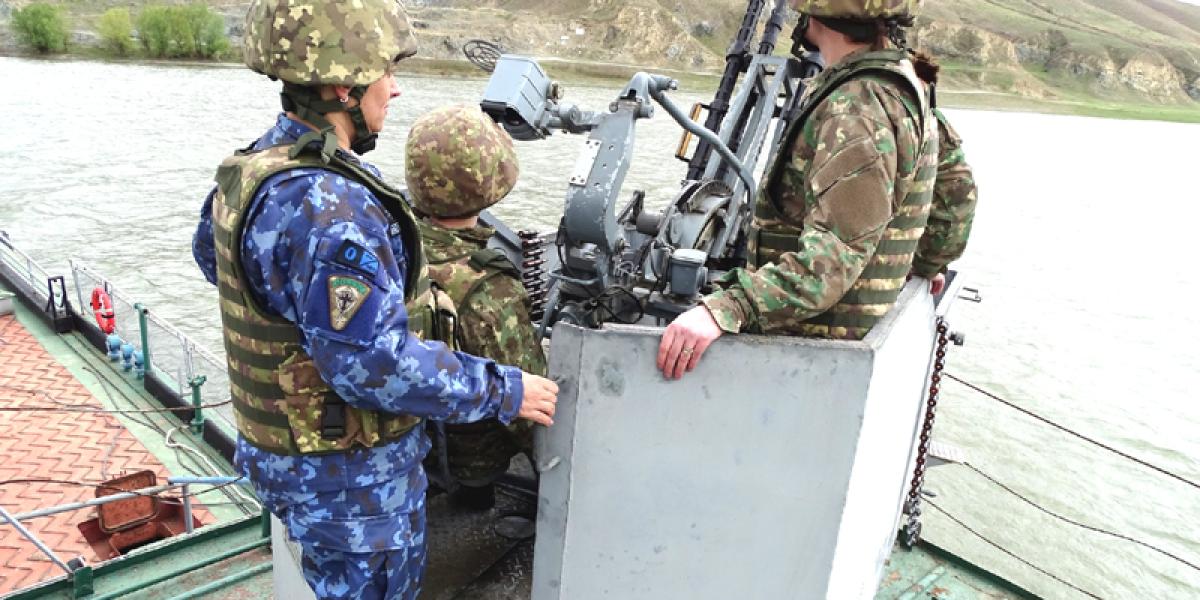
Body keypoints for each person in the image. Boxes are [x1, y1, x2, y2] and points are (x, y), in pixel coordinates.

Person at [190, 1, 557, 598]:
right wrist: (505, 389)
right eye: (386, 72)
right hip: (351, 488)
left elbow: (215, 261)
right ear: (343, 87)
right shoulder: (333, 208)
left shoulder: (252, 168)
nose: (395, 88)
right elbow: (373, 365)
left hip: (284, 455)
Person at [658, 0, 939, 379]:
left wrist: (729, 308)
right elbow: (954, 193)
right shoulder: (904, 81)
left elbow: (831, 263)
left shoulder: (856, 108)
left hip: (813, 360)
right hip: (848, 350)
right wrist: (927, 263)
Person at [405, 104, 547, 509]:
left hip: (408, 442)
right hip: (471, 462)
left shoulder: (390, 245)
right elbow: (529, 401)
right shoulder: (491, 290)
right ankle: (475, 500)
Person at [910, 50, 979, 295]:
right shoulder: (928, 122)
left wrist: (926, 264)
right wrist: (930, 265)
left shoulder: (920, 124)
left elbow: (957, 197)